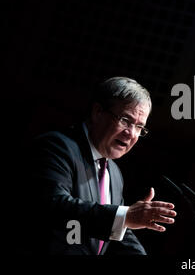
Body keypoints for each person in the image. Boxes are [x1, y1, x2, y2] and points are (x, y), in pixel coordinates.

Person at [23, 76, 177, 255]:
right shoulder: (57, 147)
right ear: (98, 112)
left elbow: (116, 226)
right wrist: (125, 215)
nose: (131, 134)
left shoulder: (114, 172)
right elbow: (55, 206)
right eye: (125, 120)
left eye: (139, 127)